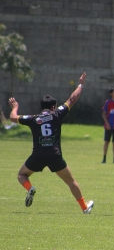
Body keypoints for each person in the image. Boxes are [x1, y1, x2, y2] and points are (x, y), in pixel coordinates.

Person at [8, 73, 94, 214]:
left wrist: (15, 107)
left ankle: (30, 188)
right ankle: (84, 207)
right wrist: (81, 84)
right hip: (54, 155)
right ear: (54, 107)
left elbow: (12, 118)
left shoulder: (33, 119)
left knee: (21, 175)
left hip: (37, 156)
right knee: (71, 181)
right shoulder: (57, 114)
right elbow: (72, 99)